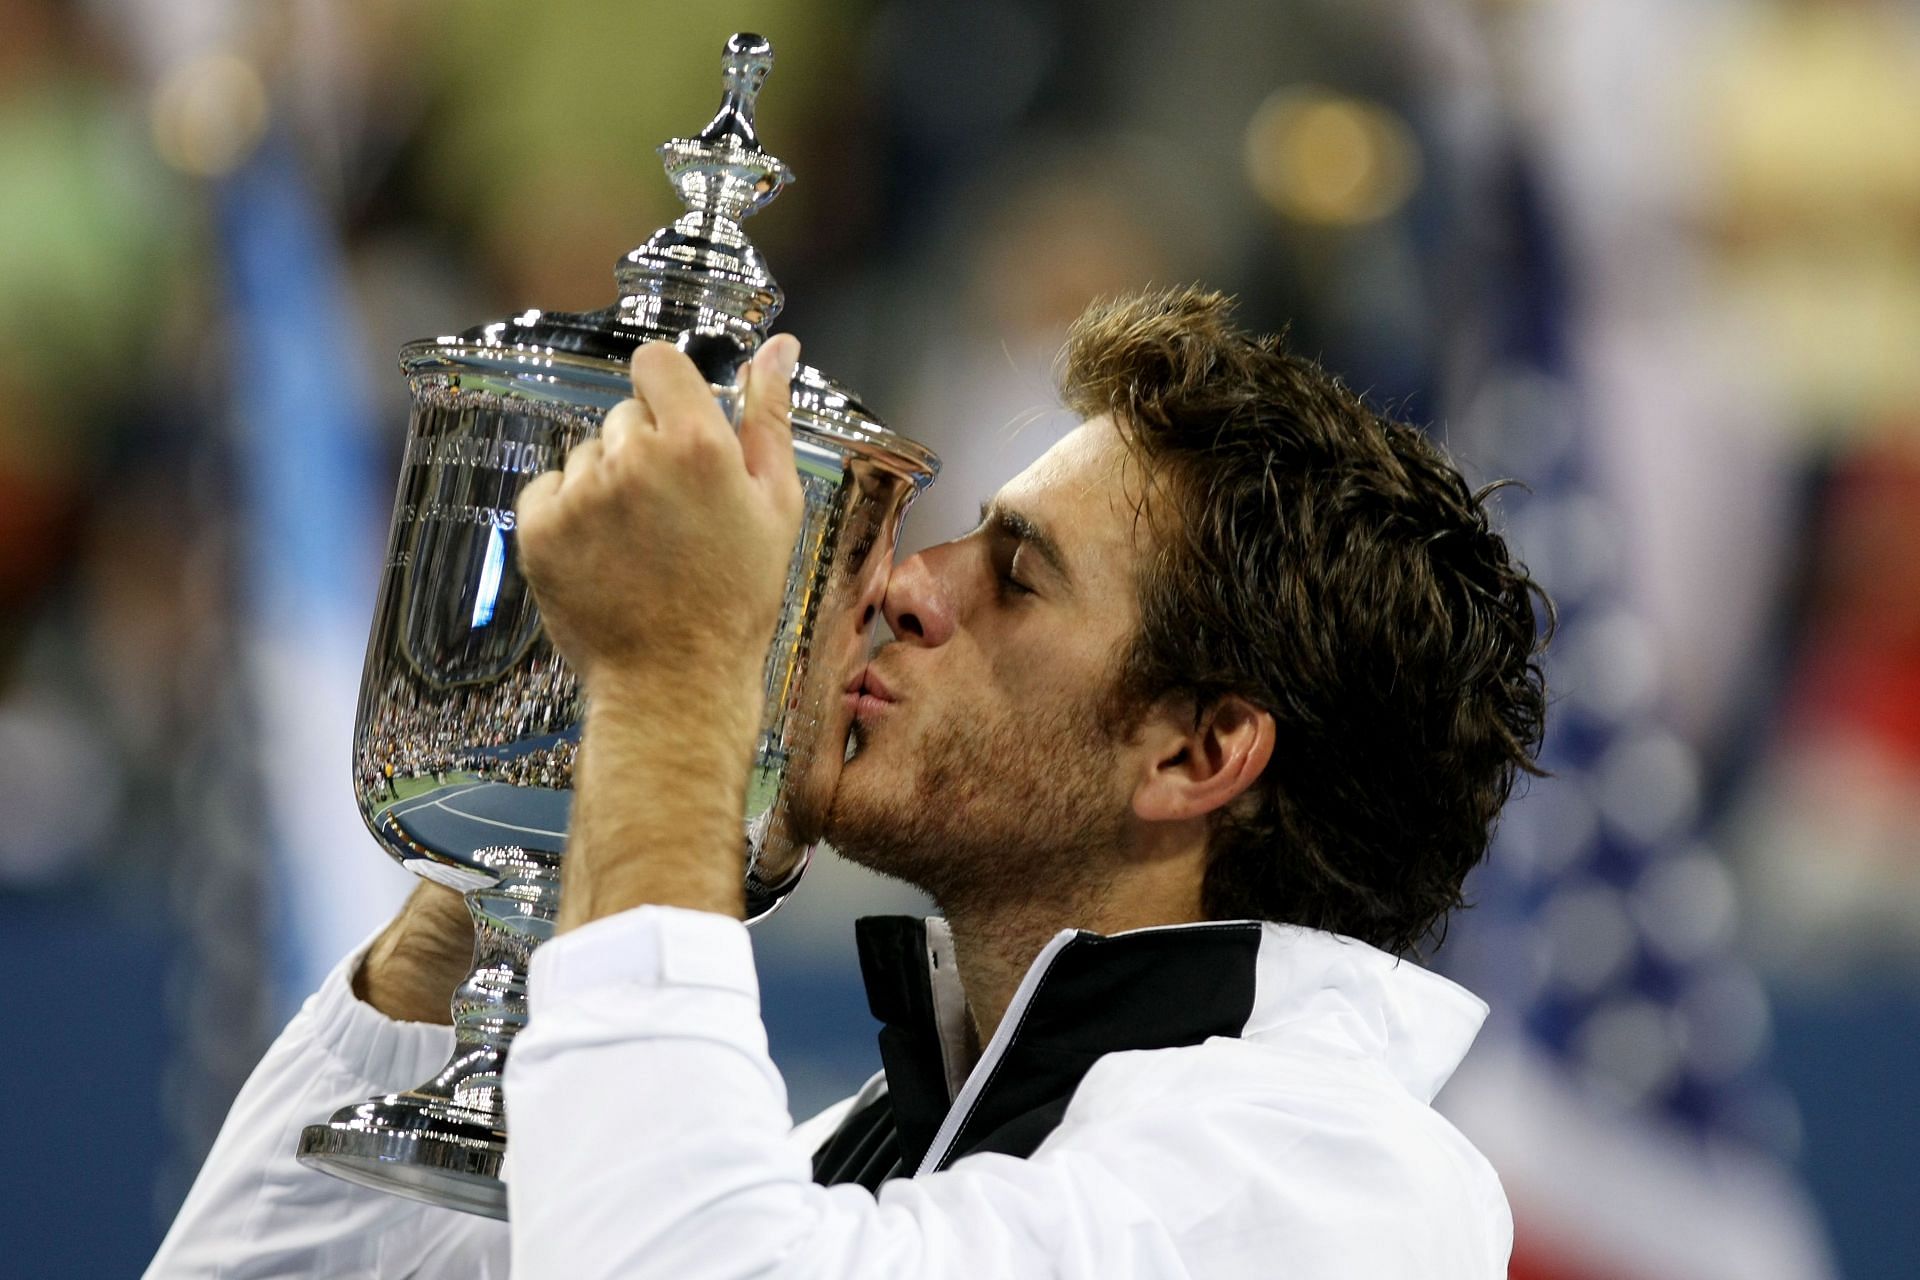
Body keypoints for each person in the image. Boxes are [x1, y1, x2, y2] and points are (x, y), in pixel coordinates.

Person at [148, 287, 1547, 1278]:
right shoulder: (865, 1157)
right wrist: (511, 840)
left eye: (1014, 577)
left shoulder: (1336, 1189)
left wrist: (680, 679)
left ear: (1195, 755)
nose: (899, 583)